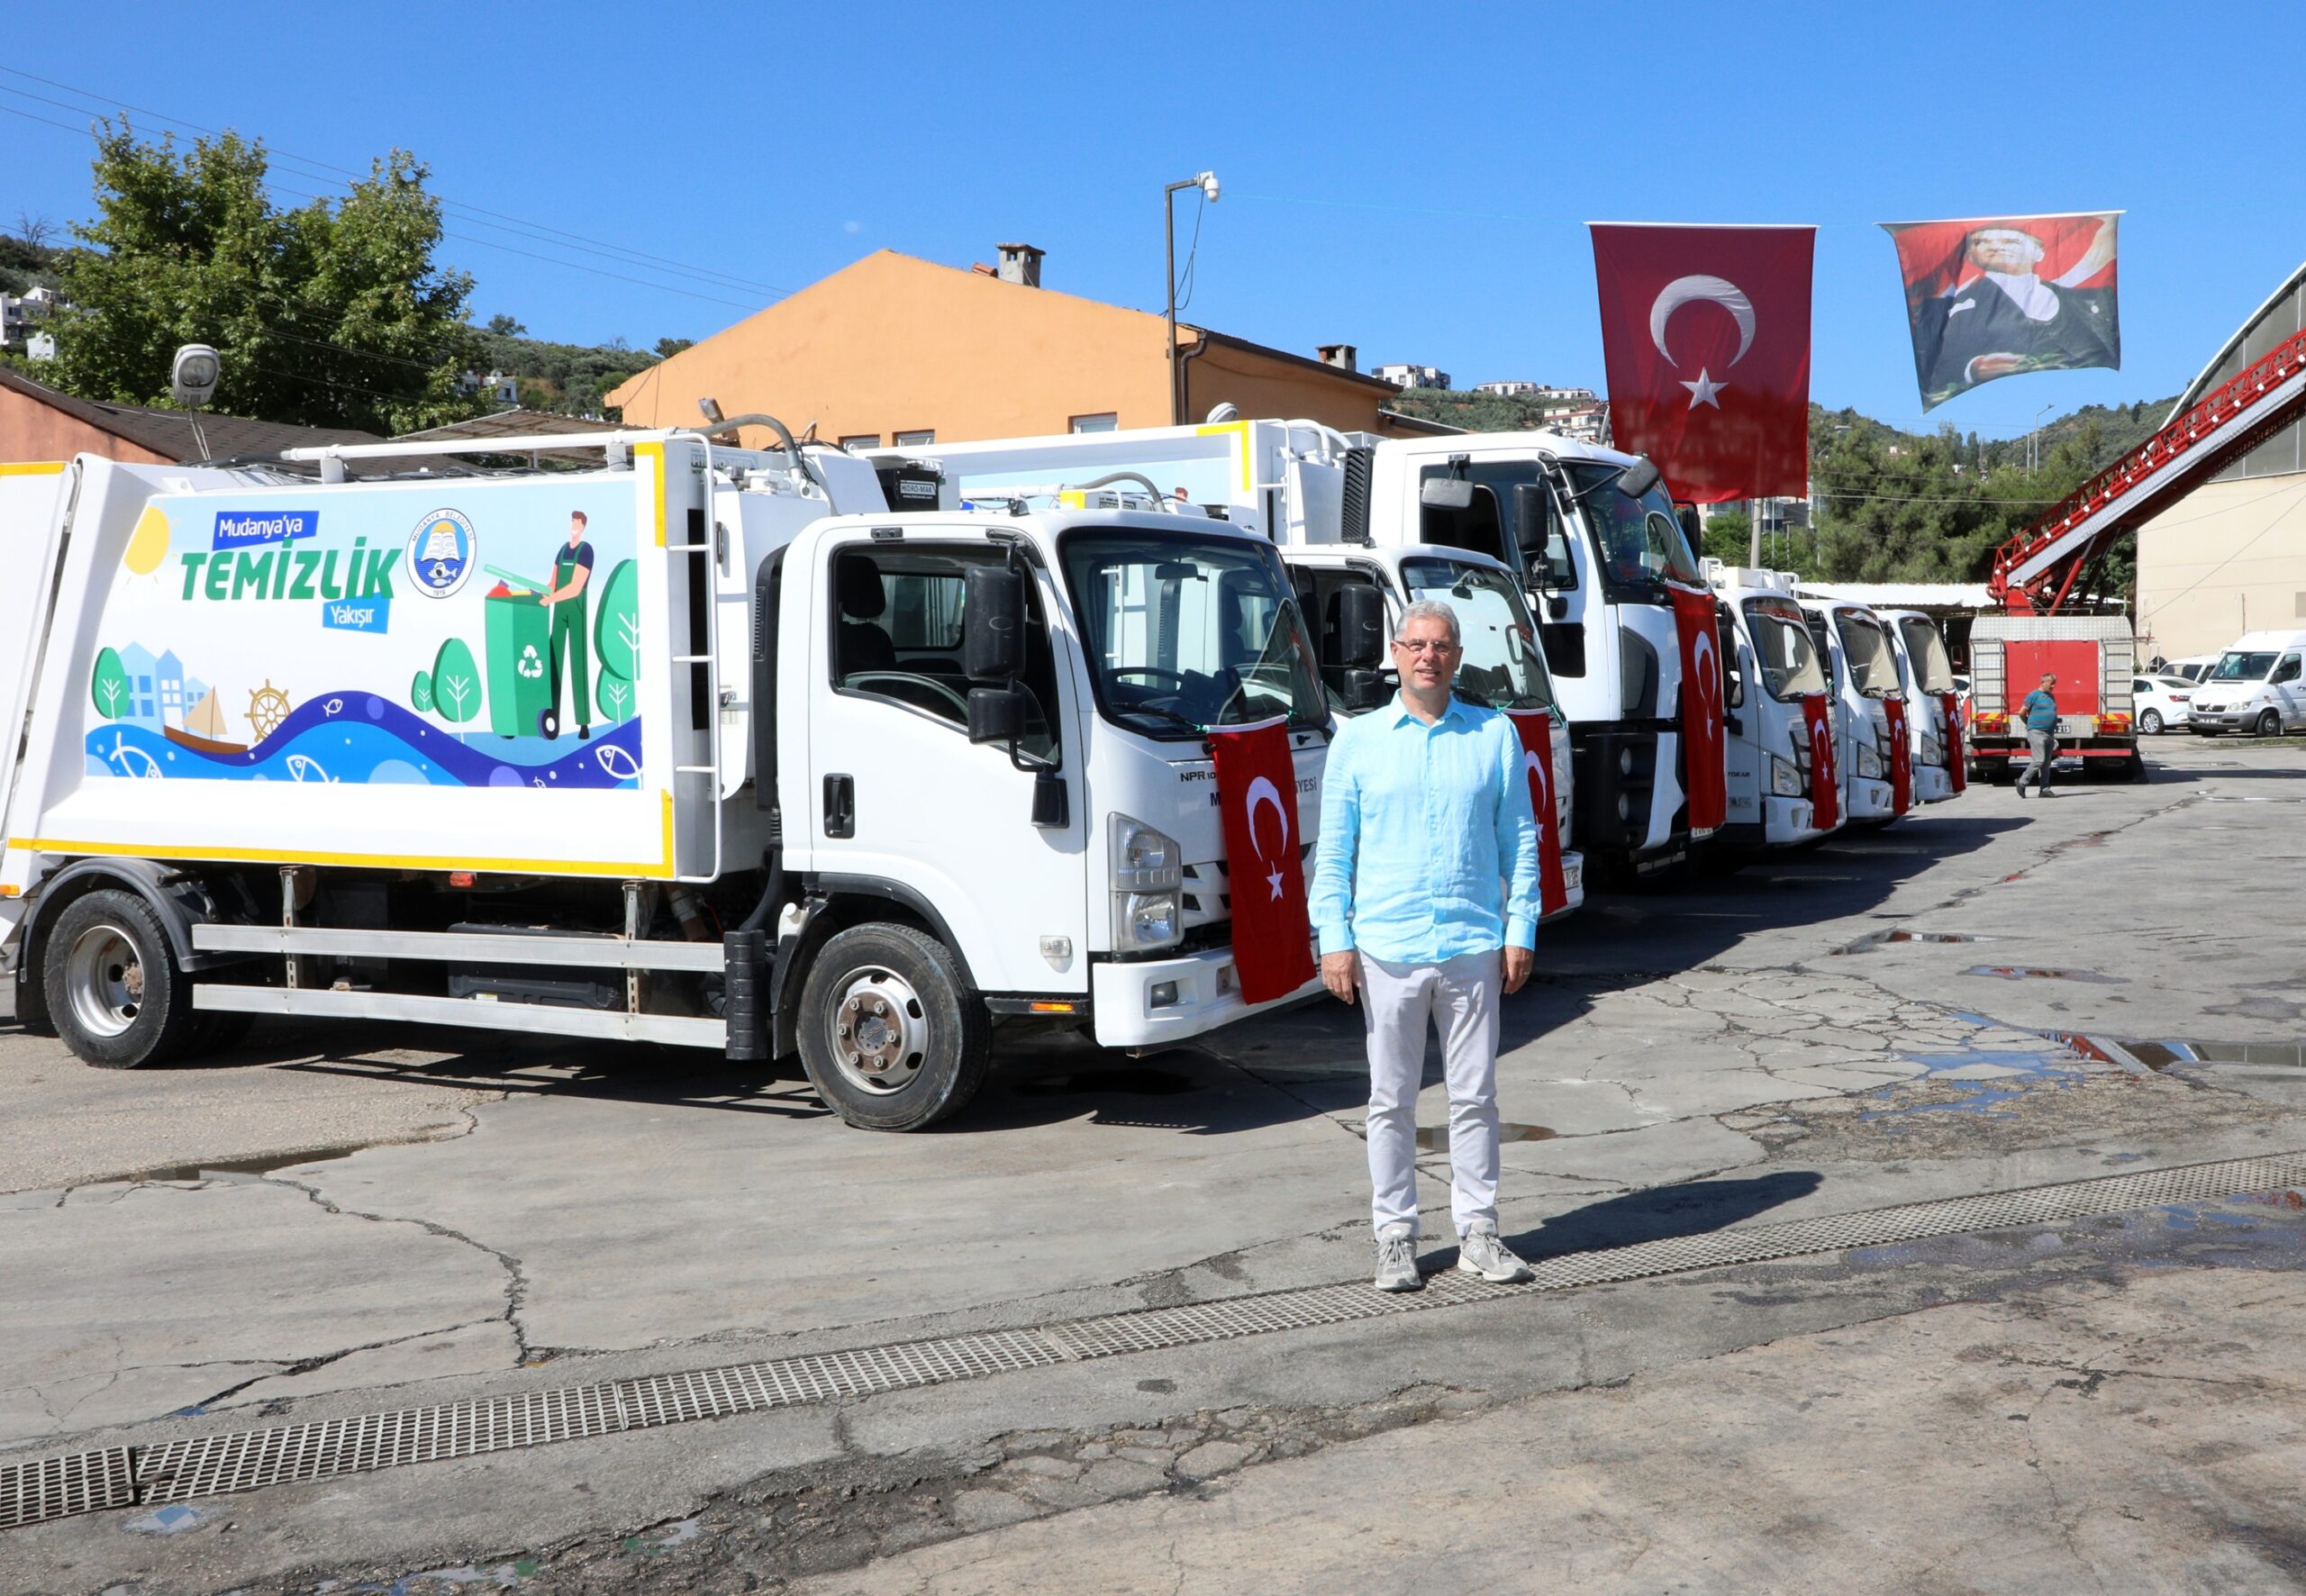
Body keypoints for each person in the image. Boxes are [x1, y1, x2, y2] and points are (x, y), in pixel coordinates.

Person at [1310, 599, 1541, 1293]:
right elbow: (1335, 855)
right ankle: (1396, 1238)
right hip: (1387, 948)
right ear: (1395, 651)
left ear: (1457, 657)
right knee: (1391, 1101)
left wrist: (1520, 927)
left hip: (1472, 945)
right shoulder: (1357, 740)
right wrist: (1335, 942)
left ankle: (1478, 1232)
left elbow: (1521, 843)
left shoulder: (1494, 735)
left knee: (1475, 1098)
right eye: (1415, 644)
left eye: (1440, 646)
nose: (1427, 657)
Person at [1913, 222, 2119, 407]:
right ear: (1970, 255)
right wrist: (1973, 369)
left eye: (2011, 241)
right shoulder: (1961, 308)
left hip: (2073, 393)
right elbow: (1941, 362)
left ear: (2039, 252)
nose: (1996, 247)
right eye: (1981, 242)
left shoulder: (2081, 300)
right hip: (2006, 401)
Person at [539, 510, 595, 741]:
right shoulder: (563, 549)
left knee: (578, 663)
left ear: (583, 527)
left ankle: (583, 723)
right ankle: (554, 718)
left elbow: (575, 586)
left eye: (578, 522)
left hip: (575, 607)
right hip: (559, 609)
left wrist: (550, 599)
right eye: (572, 521)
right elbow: (553, 581)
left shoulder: (586, 551)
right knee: (554, 662)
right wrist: (539, 594)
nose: (574, 525)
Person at [2018, 672, 2059, 798]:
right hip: (2036, 733)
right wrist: (2030, 724)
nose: (2053, 687)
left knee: (2046, 764)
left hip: (2049, 734)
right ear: (2043, 682)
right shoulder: (2033, 695)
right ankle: (2021, 782)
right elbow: (2022, 712)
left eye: (2054, 684)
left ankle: (2044, 790)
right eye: (2051, 684)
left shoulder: (2051, 697)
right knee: (2039, 760)